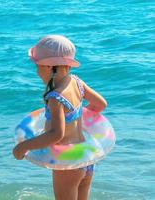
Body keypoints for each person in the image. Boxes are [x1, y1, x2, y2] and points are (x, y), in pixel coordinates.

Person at [12, 35, 107, 200]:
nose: (37, 71)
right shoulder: (77, 82)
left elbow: (56, 134)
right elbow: (100, 105)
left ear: (49, 67)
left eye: (38, 66)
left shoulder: (55, 97)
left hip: (68, 163)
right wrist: (77, 115)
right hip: (85, 158)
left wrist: (23, 147)